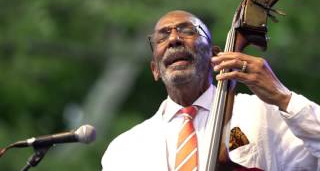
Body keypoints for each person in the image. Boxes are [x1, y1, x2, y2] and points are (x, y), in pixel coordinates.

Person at [101, 10, 320, 171]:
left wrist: (282, 97)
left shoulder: (263, 113)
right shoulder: (123, 150)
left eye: (188, 31)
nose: (174, 39)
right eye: (163, 36)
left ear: (214, 57)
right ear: (155, 70)